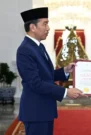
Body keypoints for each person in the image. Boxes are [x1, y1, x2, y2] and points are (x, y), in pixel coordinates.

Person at [17, 7, 85, 135]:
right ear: (33, 27)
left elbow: (46, 75)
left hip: (44, 109)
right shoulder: (25, 50)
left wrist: (65, 70)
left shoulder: (38, 46)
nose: (48, 28)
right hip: (36, 111)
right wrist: (65, 92)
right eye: (45, 24)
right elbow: (35, 83)